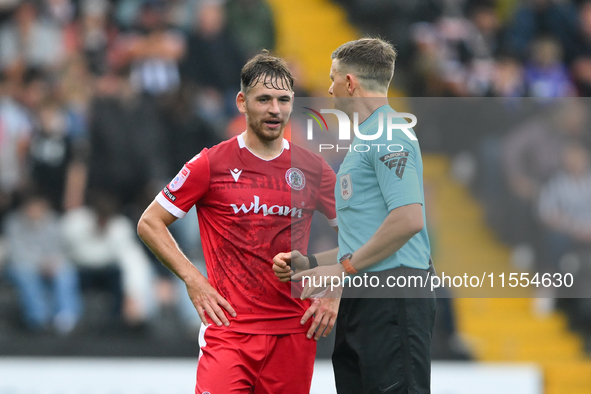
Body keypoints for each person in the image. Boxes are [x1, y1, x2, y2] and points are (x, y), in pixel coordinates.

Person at [137, 51, 339, 394]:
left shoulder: (314, 168)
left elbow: (360, 233)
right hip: (229, 330)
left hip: (293, 331)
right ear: (242, 102)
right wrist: (193, 279)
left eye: (283, 99)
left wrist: (333, 289)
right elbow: (149, 222)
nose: (275, 109)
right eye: (264, 99)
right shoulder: (210, 164)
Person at [273, 38, 435, 394]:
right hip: (363, 293)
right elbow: (365, 239)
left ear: (350, 82)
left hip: (393, 295)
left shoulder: (390, 134)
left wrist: (343, 270)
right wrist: (311, 262)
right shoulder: (365, 139)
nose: (328, 89)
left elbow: (409, 219)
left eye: (332, 79)